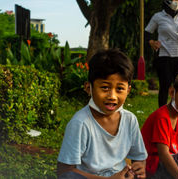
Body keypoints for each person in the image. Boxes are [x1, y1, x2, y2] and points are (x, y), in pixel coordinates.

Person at [57, 49, 147, 179]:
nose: (112, 96)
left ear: (128, 90)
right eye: (105, 87)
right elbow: (64, 171)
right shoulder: (80, 123)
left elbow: (139, 158)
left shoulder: (129, 120)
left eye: (120, 89)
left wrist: (139, 168)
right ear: (89, 88)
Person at [145, 0, 178, 107]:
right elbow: (147, 32)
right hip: (165, 56)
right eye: (174, 0)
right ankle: (162, 112)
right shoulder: (158, 16)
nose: (176, 2)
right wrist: (151, 42)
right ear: (167, 1)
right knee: (165, 85)